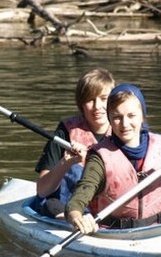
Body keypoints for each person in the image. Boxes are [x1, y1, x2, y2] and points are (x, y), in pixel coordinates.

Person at [65, 83, 161, 234]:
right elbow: (75, 203)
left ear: (142, 116)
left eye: (131, 116)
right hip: (113, 233)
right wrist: (78, 219)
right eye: (117, 117)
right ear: (110, 119)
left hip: (156, 230)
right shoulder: (99, 157)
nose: (125, 124)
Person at [34, 68, 115, 217]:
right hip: (64, 207)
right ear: (81, 104)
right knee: (52, 204)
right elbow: (42, 190)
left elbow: (146, 171)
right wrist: (66, 162)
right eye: (90, 100)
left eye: (104, 99)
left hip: (108, 208)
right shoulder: (65, 132)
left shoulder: (124, 130)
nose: (97, 106)